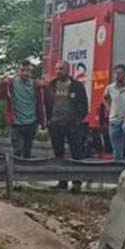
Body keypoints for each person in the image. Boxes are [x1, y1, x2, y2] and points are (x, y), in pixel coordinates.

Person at [0, 61, 47, 158]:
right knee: (17, 151)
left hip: (31, 122)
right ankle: (16, 167)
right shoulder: (10, 83)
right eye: (22, 70)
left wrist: (43, 122)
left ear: (31, 72)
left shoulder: (36, 85)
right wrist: (1, 84)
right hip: (16, 123)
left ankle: (26, 167)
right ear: (18, 71)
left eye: (28, 70)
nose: (25, 73)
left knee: (27, 152)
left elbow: (44, 102)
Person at [46, 61, 88, 191]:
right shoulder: (51, 86)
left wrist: (78, 120)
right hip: (55, 124)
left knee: (76, 153)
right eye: (57, 69)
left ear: (68, 70)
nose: (58, 71)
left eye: (61, 69)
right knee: (59, 154)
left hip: (72, 125)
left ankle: (76, 183)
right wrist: (48, 120)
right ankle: (62, 182)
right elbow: (45, 103)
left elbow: (84, 105)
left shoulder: (77, 86)